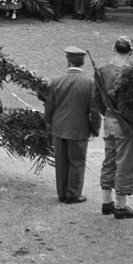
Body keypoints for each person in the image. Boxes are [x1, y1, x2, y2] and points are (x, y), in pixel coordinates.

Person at [44, 46, 101, 204]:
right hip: (78, 128)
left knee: (61, 162)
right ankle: (73, 194)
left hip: (59, 127)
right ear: (83, 62)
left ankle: (62, 192)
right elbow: (94, 111)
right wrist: (95, 129)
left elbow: (49, 106)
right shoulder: (90, 83)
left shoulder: (56, 81)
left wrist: (48, 123)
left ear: (68, 61)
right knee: (77, 162)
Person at [96, 38, 133, 219]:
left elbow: (97, 99)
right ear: (130, 52)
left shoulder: (102, 70)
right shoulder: (131, 73)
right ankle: (121, 207)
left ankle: (106, 202)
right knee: (125, 163)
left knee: (109, 159)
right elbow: (127, 107)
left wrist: (107, 113)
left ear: (113, 48)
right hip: (125, 124)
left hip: (108, 120)